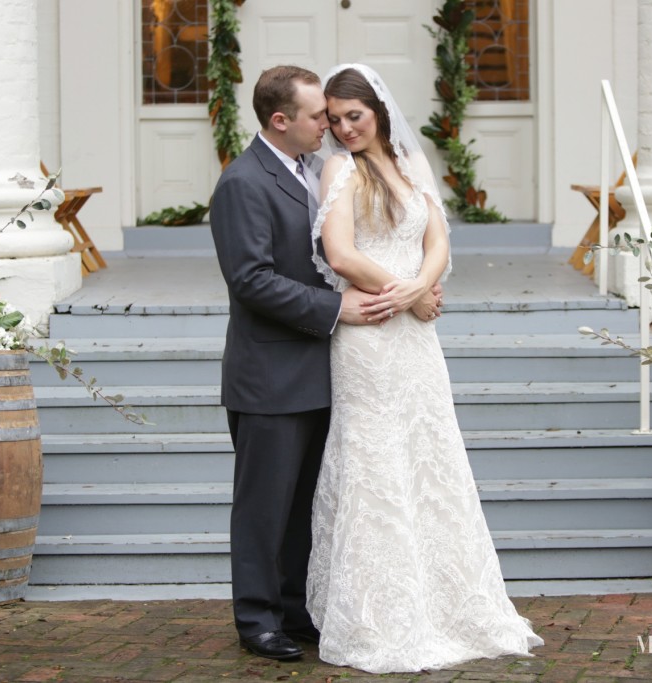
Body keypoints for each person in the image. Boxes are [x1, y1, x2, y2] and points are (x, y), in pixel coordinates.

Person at [305, 63, 544, 674]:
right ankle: (380, 615)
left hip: (416, 337)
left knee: (430, 452)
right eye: (334, 120)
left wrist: (420, 287)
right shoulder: (339, 169)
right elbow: (340, 254)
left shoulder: (411, 164)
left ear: (379, 111)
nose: (344, 128)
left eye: (354, 116)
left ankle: (448, 605)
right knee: (375, 460)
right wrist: (407, 293)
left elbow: (438, 242)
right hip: (371, 334)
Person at [209, 65, 382, 662]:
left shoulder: (316, 168)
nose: (328, 125)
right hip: (270, 376)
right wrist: (337, 308)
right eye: (317, 117)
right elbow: (251, 279)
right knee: (263, 507)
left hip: (320, 368)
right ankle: (256, 620)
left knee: (306, 503)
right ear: (280, 120)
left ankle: (294, 608)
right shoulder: (242, 182)